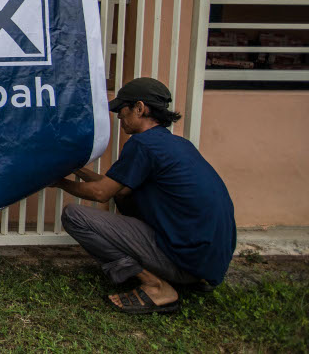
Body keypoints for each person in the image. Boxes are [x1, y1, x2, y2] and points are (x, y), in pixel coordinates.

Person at [53, 77, 235, 315]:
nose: (119, 117)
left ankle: (156, 286)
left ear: (140, 108)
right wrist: (74, 168)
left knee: (74, 215)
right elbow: (115, 187)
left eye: (122, 109)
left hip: (186, 262)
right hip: (207, 265)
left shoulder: (143, 144)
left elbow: (101, 193)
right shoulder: (176, 144)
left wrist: (59, 183)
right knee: (125, 196)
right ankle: (184, 278)